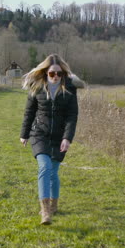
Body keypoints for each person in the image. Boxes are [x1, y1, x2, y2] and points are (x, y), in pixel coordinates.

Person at [20, 54, 81, 225]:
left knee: (53, 173)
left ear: (63, 74)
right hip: (39, 134)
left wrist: (67, 138)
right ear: (45, 72)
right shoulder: (37, 88)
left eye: (59, 74)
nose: (55, 77)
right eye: (52, 73)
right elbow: (29, 112)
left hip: (59, 137)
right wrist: (24, 134)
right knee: (45, 168)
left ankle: (54, 204)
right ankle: (45, 211)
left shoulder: (69, 89)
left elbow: (72, 116)